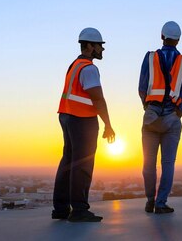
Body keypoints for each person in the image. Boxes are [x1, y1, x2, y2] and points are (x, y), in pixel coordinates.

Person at [53, 27, 116, 222]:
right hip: (82, 120)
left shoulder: (75, 65)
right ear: (89, 46)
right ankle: (79, 210)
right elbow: (98, 99)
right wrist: (108, 124)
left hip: (66, 115)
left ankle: (61, 209)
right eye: (99, 46)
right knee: (83, 164)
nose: (102, 50)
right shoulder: (89, 69)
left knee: (68, 162)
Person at [138, 21, 182, 214]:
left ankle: (149, 200)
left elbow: (142, 88)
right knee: (168, 164)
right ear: (178, 40)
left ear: (162, 37)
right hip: (172, 117)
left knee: (148, 163)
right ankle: (161, 203)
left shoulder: (150, 57)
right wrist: (177, 113)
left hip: (151, 115)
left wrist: (148, 107)